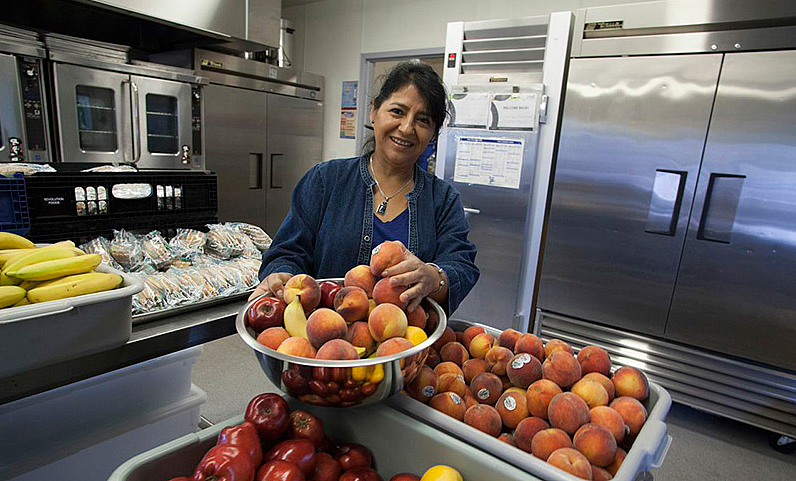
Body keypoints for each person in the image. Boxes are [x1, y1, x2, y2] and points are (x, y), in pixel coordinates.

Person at [250, 61, 478, 315]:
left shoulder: (442, 200)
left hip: (404, 344)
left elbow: (461, 264)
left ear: (433, 134)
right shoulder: (326, 181)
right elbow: (287, 251)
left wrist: (434, 277)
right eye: (397, 111)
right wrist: (281, 274)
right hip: (323, 341)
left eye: (422, 120)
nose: (406, 128)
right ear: (374, 112)